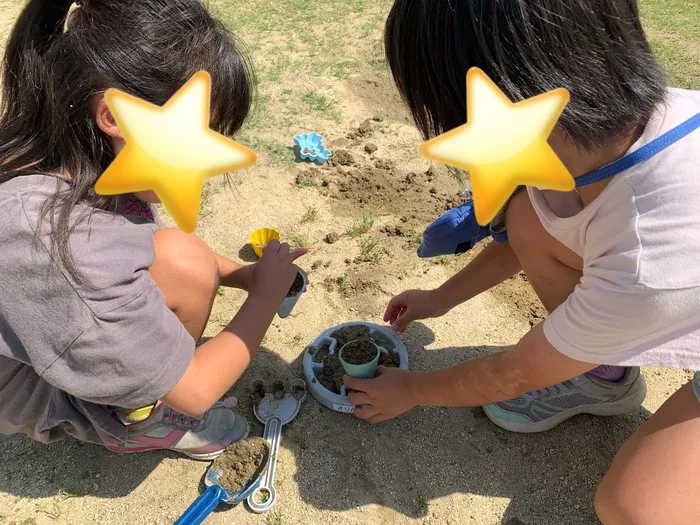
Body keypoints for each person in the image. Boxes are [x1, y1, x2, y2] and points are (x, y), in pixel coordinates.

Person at [345, 1, 700, 523]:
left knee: (633, 507)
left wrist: (411, 389)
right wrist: (440, 299)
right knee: (530, 216)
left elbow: (514, 374)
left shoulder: (650, 247)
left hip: (661, 275)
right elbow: (523, 238)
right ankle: (603, 374)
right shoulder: (623, 129)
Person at [0, 0, 306, 460]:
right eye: (201, 134)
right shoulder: (53, 241)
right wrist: (264, 299)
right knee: (185, 277)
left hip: (53, 331)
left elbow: (142, 246)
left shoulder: (81, 160)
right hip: (30, 387)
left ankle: (146, 388)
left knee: (184, 256)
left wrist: (244, 277)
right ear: (115, 118)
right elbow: (196, 390)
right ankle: (142, 422)